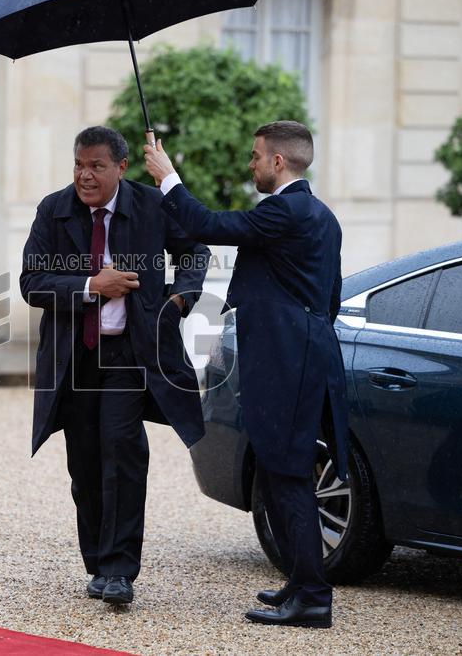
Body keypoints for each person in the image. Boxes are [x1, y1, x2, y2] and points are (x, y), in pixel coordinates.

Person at [143, 120, 347, 629]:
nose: (250, 164)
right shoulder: (321, 215)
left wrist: (168, 177)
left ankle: (314, 598)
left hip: (286, 362)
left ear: (279, 162)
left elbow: (209, 225)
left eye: (256, 156)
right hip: (298, 355)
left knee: (286, 472)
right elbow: (332, 299)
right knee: (280, 472)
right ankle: (301, 582)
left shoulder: (286, 211)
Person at [20, 126, 210, 605]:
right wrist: (90, 285)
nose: (85, 175)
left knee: (123, 452)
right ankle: (98, 562)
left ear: (121, 167)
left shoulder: (150, 206)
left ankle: (120, 570)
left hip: (129, 355)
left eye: (96, 166)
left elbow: (195, 250)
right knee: (85, 464)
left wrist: (182, 298)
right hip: (76, 357)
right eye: (79, 164)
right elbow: (31, 283)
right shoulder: (53, 209)